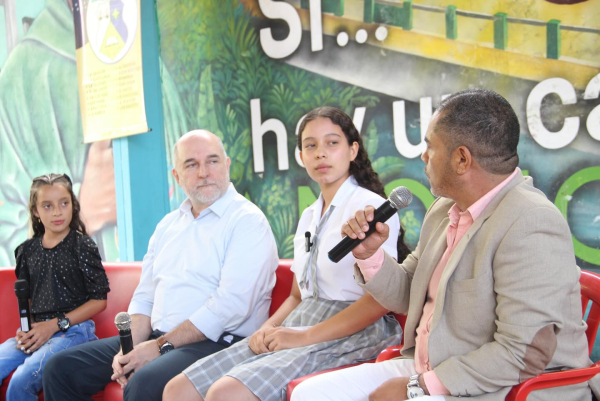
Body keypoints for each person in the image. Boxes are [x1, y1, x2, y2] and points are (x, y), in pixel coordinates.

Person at [290, 89, 598, 401]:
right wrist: (370, 256)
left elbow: (524, 353)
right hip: (431, 367)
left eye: (430, 147)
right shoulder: (443, 209)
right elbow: (407, 293)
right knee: (308, 394)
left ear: (461, 159)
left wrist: (419, 387)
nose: (423, 157)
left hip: (503, 386)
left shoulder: (531, 222)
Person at [162, 106, 411, 401]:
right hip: (301, 320)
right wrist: (267, 329)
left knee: (225, 393)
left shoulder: (372, 209)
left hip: (355, 329)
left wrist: (304, 336)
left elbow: (379, 302)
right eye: (310, 146)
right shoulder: (308, 215)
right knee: (178, 389)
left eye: (332, 143)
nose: (320, 153)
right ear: (301, 156)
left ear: (353, 150)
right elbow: (296, 296)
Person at [42, 130, 279, 401]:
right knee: (60, 369)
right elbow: (145, 299)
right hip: (161, 339)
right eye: (191, 164)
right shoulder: (167, 226)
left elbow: (231, 307)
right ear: (177, 176)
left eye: (212, 161)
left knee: (145, 383)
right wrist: (128, 348)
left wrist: (159, 347)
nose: (204, 172)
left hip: (218, 344)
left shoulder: (247, 221)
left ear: (226, 166)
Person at [0, 173, 110, 401]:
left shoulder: (82, 246)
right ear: (35, 211)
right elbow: (29, 298)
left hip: (74, 332)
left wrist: (54, 325)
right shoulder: (26, 251)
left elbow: (100, 300)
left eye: (64, 203)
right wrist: (28, 328)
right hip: (38, 332)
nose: (58, 212)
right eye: (47, 206)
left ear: (73, 205)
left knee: (21, 382)